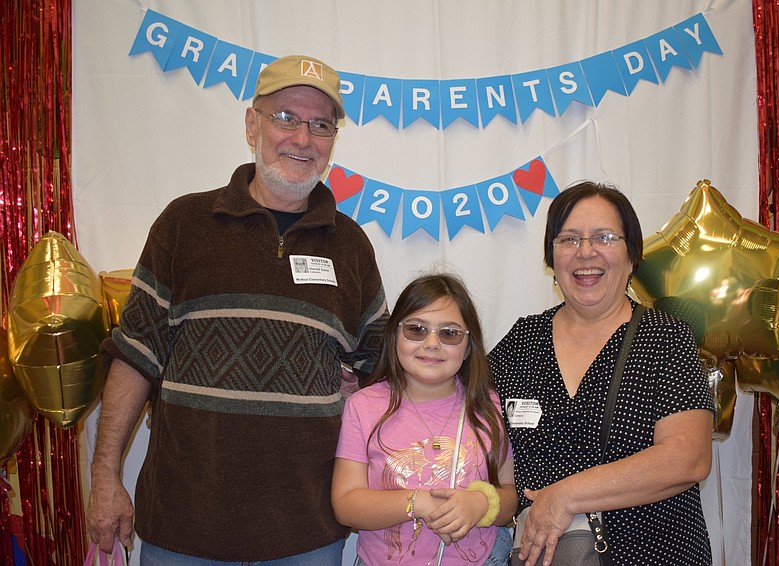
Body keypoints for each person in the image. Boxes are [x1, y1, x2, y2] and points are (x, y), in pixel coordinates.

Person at [87, 54, 389, 564]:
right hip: (182, 528)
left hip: (307, 534)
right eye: (286, 117)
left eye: (320, 125)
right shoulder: (184, 224)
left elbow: (383, 367)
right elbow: (134, 356)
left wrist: (360, 387)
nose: (302, 138)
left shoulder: (352, 245)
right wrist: (104, 479)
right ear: (252, 124)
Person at [488, 181, 714, 565]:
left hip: (655, 554)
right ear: (552, 258)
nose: (585, 252)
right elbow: (455, 412)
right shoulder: (521, 343)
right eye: (569, 239)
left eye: (604, 237)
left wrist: (564, 495)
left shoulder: (666, 339)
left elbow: (688, 458)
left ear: (631, 255)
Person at [332, 274, 518, 565]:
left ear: (469, 346)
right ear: (394, 336)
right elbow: (346, 504)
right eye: (417, 330)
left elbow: (510, 498)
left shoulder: (488, 406)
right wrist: (417, 502)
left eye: (449, 333)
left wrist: (482, 503)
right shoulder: (364, 406)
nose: (432, 343)